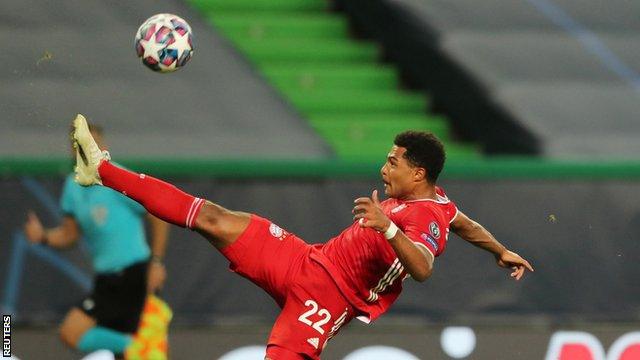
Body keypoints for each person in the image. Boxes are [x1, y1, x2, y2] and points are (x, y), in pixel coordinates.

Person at [71, 114, 533, 360]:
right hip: (305, 261)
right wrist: (500, 249)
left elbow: (424, 269)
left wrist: (387, 226)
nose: (383, 168)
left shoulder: (424, 218)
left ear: (419, 172)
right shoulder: (442, 205)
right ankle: (103, 169)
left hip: (330, 299)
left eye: (393, 162)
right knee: (214, 217)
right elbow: (465, 222)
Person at [23, 122, 171, 359]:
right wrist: (43, 237)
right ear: (74, 150)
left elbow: (158, 215)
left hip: (133, 274)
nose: (87, 149)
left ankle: (137, 344)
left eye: (93, 144)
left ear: (103, 147)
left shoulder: (119, 179)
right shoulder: (73, 186)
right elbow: (69, 234)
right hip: (106, 279)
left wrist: (156, 262)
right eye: (81, 144)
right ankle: (137, 345)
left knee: (71, 332)